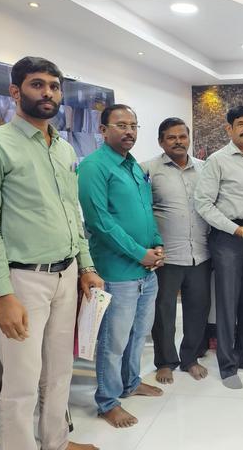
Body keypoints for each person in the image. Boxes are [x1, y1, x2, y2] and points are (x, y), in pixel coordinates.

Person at [0, 56, 101, 450]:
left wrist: (86, 266)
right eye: (37, 84)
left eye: (54, 86)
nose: (48, 93)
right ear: (15, 91)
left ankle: (56, 442)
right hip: (23, 280)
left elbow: (72, 214)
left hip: (67, 274)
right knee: (22, 381)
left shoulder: (63, 149)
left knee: (59, 372)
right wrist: (2, 294)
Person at [78, 104, 165, 428]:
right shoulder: (93, 166)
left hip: (146, 271)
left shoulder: (133, 166)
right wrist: (140, 253)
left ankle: (130, 383)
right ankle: (107, 401)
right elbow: (99, 222)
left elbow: (146, 211)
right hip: (116, 272)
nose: (129, 131)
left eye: (133, 125)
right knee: (113, 342)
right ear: (103, 130)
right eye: (121, 125)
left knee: (138, 334)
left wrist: (157, 244)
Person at [194, 104, 243, 389]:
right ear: (229, 128)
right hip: (229, 237)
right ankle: (227, 366)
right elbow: (203, 203)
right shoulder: (217, 160)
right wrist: (236, 229)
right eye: (241, 124)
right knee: (227, 302)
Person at [141, 117, 211, 384]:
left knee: (198, 309)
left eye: (183, 136)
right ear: (161, 141)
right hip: (166, 256)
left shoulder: (205, 168)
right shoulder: (147, 169)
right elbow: (142, 210)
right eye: (171, 137)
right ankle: (165, 361)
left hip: (201, 254)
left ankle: (190, 358)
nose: (178, 142)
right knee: (164, 311)